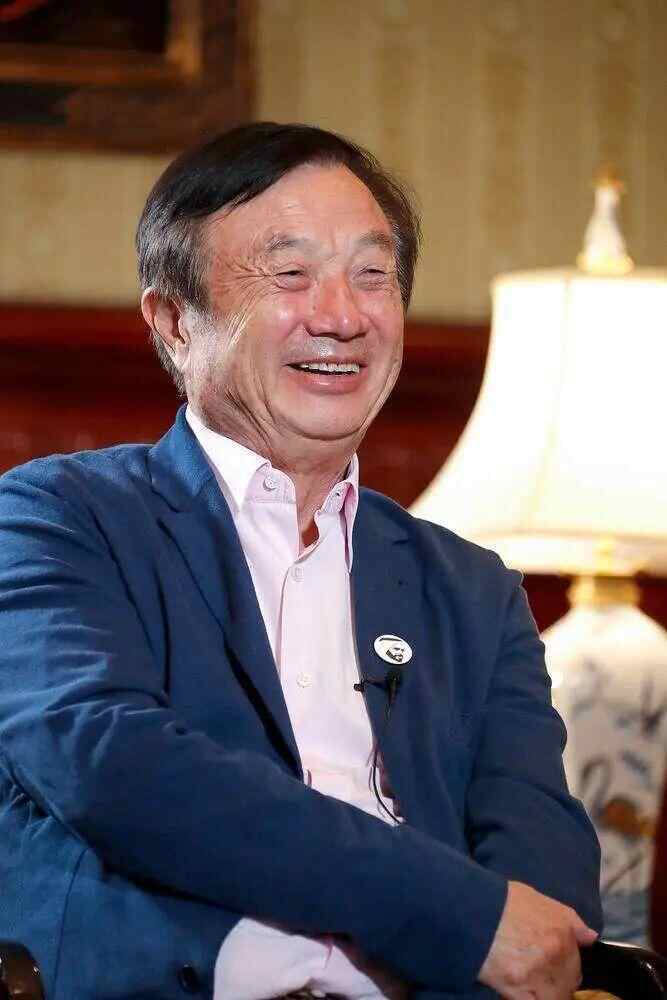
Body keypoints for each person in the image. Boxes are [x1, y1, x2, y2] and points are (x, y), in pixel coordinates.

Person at [0, 122, 602, 1000]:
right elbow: (108, 764)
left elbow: (540, 859)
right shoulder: (58, 518)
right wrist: (449, 914)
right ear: (173, 320)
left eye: (373, 275)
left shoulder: (469, 589)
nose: (342, 316)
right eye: (289, 274)